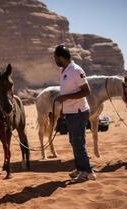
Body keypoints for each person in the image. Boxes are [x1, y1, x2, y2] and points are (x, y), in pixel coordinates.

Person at [53, 44, 96, 183]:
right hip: (70, 112)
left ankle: (88, 172)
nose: (55, 60)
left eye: (55, 57)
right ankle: (80, 168)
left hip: (79, 112)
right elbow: (66, 92)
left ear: (61, 57)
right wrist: (62, 110)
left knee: (78, 142)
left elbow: (86, 91)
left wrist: (65, 98)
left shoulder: (76, 70)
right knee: (74, 141)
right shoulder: (65, 71)